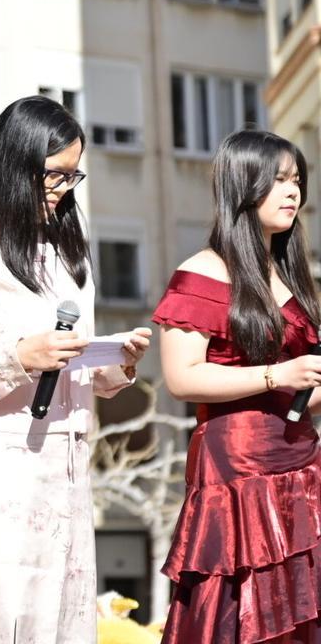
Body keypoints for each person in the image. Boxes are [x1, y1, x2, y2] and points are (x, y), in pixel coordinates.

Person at [0, 95, 151, 643]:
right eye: (54, 175)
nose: (63, 190)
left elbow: (74, 361)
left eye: (73, 176)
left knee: (62, 619)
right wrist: (18, 355)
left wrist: (114, 359)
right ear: (15, 163)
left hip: (62, 465)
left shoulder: (66, 253)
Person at [155, 130, 321, 643]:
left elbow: (299, 390)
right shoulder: (202, 271)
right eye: (278, 180)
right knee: (238, 613)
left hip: (300, 459)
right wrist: (277, 375)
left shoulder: (289, 273)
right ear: (243, 185)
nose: (292, 192)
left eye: (297, 180)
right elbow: (183, 378)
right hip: (237, 468)